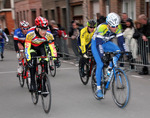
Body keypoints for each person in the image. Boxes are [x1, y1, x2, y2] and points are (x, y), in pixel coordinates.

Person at [91, 12, 128, 98]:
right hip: (96, 43)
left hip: (106, 43)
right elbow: (98, 44)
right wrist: (102, 56)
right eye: (113, 26)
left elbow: (121, 42)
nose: (115, 28)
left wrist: (126, 52)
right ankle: (99, 88)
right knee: (100, 64)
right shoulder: (102, 27)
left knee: (118, 51)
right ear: (108, 25)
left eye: (116, 26)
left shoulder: (118, 27)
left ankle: (110, 67)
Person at [25, 16, 58, 92]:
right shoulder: (30, 33)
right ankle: (33, 83)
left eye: (45, 29)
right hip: (32, 48)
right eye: (42, 29)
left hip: (41, 47)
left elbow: (52, 47)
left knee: (45, 63)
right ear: (37, 28)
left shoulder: (49, 34)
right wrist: (29, 60)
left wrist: (55, 58)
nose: (44, 32)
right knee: (32, 62)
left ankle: (44, 85)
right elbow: (27, 48)